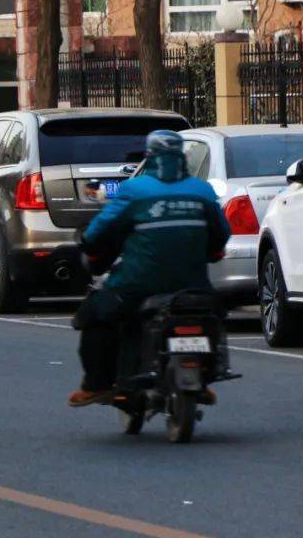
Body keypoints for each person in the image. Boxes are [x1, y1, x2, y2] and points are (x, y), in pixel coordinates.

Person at [67, 130, 231, 407]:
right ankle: (204, 376)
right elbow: (221, 235)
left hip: (136, 284)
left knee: (95, 314)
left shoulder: (134, 191)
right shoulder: (201, 191)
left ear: (150, 157)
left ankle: (96, 385)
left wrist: (88, 245)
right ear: (182, 156)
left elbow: (98, 232)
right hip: (193, 286)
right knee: (212, 314)